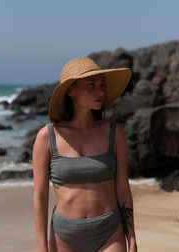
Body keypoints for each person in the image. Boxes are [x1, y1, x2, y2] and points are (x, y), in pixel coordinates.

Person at [33, 57, 137, 252]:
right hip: (65, 235)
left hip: (110, 232)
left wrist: (132, 238)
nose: (100, 91)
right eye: (91, 84)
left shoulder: (115, 133)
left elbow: (123, 188)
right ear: (71, 90)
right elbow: (40, 196)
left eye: (101, 85)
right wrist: (42, 247)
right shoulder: (47, 137)